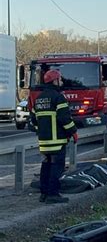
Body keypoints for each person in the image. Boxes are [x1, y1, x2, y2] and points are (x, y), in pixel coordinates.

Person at [30, 69, 78, 204]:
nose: (61, 82)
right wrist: (73, 132)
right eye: (60, 79)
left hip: (44, 141)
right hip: (57, 140)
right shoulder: (58, 97)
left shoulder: (38, 99)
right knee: (57, 167)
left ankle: (44, 194)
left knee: (45, 166)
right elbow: (64, 119)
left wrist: (42, 131)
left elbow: (33, 120)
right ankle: (53, 195)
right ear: (55, 81)